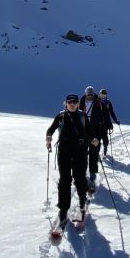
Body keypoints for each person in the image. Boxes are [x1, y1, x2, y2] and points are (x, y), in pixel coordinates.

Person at [46, 93, 95, 229]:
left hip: (80, 153)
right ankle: (63, 209)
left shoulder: (83, 116)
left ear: (78, 103)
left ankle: (82, 204)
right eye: (70, 102)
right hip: (64, 154)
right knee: (64, 181)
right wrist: (48, 137)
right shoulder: (61, 116)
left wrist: (94, 139)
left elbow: (90, 132)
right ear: (66, 103)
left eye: (74, 101)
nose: (72, 104)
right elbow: (51, 129)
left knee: (80, 180)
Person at [79, 86, 109, 189]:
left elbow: (106, 114)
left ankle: (92, 173)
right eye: (88, 94)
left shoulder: (98, 102)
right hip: (82, 132)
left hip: (95, 132)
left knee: (93, 153)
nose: (90, 96)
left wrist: (108, 124)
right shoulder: (80, 102)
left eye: (91, 94)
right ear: (86, 94)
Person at [99, 88, 120, 158]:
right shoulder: (96, 101)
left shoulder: (108, 102)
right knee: (97, 139)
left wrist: (116, 120)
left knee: (105, 139)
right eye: (102, 94)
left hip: (106, 123)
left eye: (105, 94)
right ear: (100, 94)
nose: (104, 95)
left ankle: (104, 153)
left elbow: (111, 112)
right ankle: (96, 154)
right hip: (97, 123)